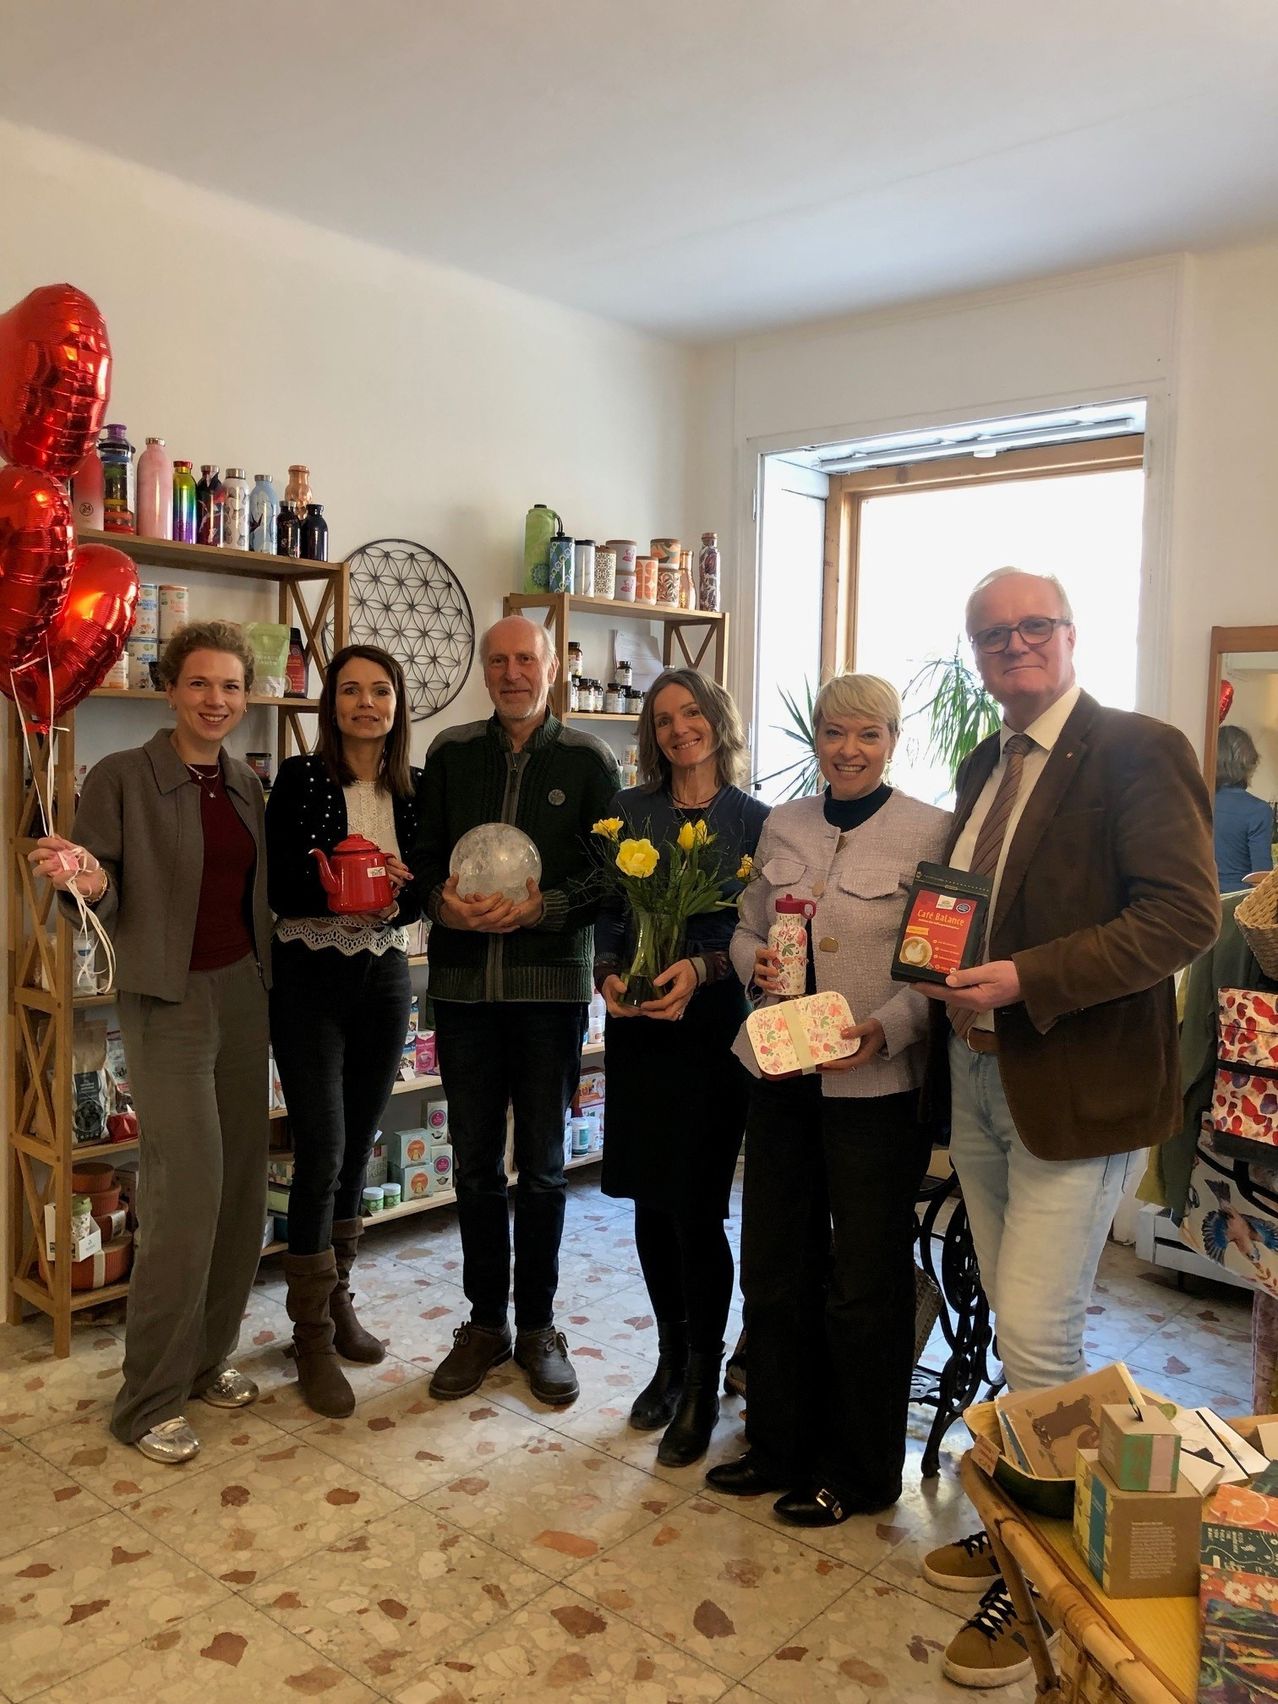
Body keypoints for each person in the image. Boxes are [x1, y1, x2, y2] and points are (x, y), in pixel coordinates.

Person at [913, 568, 1219, 1690]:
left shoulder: (1136, 748)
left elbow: (1184, 915)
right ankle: (1026, 1527)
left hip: (1078, 1090)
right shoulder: (982, 762)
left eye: (1032, 627)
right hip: (980, 1081)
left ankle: (1043, 1584)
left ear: (1071, 635)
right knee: (1015, 1330)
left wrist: (1025, 977)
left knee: (1041, 1343)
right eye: (992, 634)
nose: (1013, 646)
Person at [705, 673, 948, 1517]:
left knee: (863, 1280)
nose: (849, 749)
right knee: (775, 1264)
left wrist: (887, 1029)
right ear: (816, 737)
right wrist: (751, 965)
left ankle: (859, 1472)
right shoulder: (786, 822)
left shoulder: (931, 831)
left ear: (893, 739)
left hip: (874, 1085)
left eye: (868, 735)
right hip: (779, 1071)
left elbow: (936, 969)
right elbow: (742, 928)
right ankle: (778, 1444)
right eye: (835, 733)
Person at [29, 621, 272, 1464]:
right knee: (185, 1193)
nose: (217, 701)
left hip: (244, 992)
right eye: (200, 684)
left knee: (243, 1186)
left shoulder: (246, 783)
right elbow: (98, 879)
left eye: (232, 687)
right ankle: (149, 1399)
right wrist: (89, 879)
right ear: (170, 689)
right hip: (166, 998)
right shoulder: (125, 777)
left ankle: (208, 1361)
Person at [408, 616, 619, 1405]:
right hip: (463, 994)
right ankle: (484, 1323)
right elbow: (424, 856)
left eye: (524, 659)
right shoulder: (451, 754)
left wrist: (548, 908)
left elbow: (610, 877)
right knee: (472, 1169)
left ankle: (537, 1327)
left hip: (547, 996)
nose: (510, 673)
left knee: (541, 1169)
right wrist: (441, 905)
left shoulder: (588, 759)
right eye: (497, 661)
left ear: (551, 668)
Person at [594, 670, 769, 1465]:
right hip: (638, 1032)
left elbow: (757, 934)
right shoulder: (631, 813)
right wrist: (606, 977)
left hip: (711, 1036)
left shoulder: (756, 823)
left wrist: (702, 971)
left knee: (695, 1206)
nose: (678, 729)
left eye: (692, 712)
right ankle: (668, 1360)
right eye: (663, 719)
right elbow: (607, 914)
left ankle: (703, 1379)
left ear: (717, 718)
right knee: (648, 1202)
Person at [265, 644, 422, 1417]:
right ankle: (309, 1340)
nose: (367, 703)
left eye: (380, 691)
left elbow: (424, 888)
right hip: (309, 977)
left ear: (398, 705)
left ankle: (337, 1302)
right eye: (352, 691)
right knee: (321, 1149)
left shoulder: (411, 789)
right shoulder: (299, 779)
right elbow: (282, 883)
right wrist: (345, 887)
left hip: (383, 976)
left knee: (359, 1145)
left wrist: (401, 891)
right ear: (331, 705)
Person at [1213, 724, 1273, 893]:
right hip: (1237, 903)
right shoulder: (1258, 811)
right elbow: (1262, 879)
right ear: (1248, 763)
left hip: (1201, 899)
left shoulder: (1198, 800)